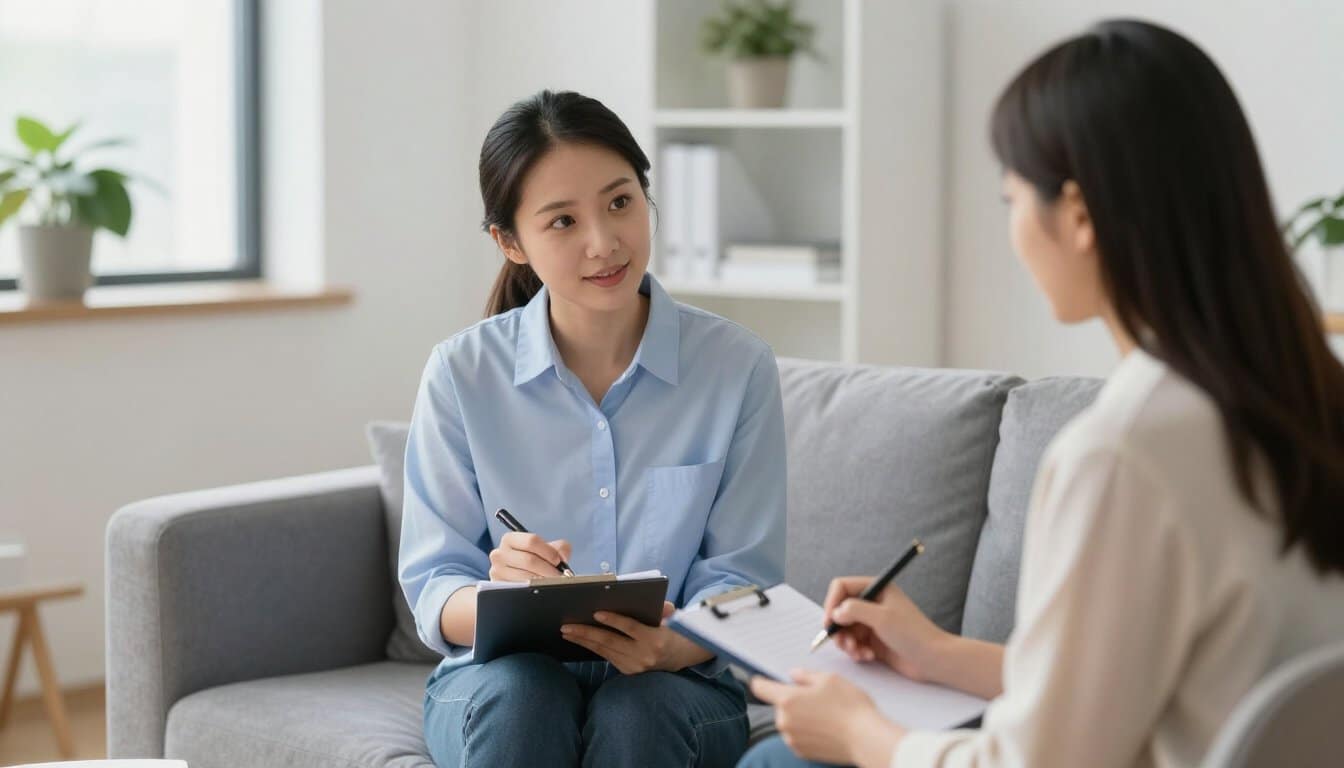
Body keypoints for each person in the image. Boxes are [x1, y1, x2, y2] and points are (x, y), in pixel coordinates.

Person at [741, 19, 1344, 768]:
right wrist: (936, 653)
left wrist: (867, 737)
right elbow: (1141, 694)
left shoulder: (1125, 453)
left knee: (779, 759)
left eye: (1012, 200)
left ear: (1081, 215)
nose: (1015, 230)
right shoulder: (1306, 399)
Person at [399, 89, 787, 768]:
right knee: (524, 697)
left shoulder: (735, 366)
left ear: (646, 197)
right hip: (499, 682)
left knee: (639, 706)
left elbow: (743, 577)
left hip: (678, 685)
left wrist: (672, 646)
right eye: (562, 222)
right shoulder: (462, 373)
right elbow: (436, 583)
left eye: (619, 203)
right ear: (509, 241)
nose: (604, 243)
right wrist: (499, 596)